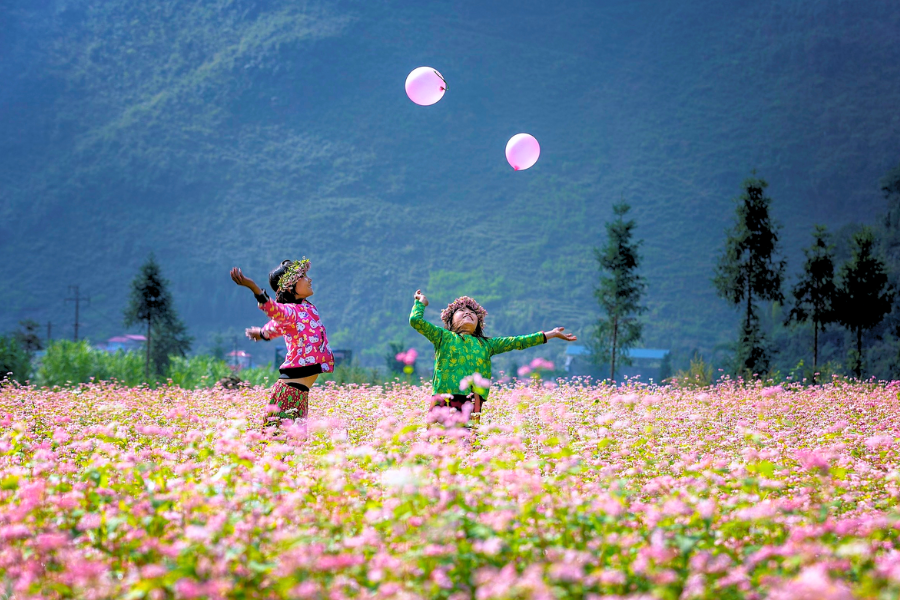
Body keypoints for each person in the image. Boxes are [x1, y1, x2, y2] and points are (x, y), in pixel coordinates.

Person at [409, 289, 576, 421]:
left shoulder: (487, 344)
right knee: (439, 445)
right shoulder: (443, 337)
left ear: (478, 324)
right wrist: (421, 303)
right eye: (461, 310)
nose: (468, 313)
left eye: (472, 312)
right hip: (443, 398)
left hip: (473, 401)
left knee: (466, 448)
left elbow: (518, 341)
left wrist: (551, 334)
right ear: (450, 321)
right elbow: (416, 321)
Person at [230, 258, 334, 427]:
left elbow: (280, 325)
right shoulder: (290, 312)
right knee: (280, 446)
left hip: (299, 394)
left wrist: (262, 333)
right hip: (289, 392)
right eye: (303, 277)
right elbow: (276, 312)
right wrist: (254, 288)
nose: (309, 279)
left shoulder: (307, 309)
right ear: (289, 286)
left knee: (292, 447)